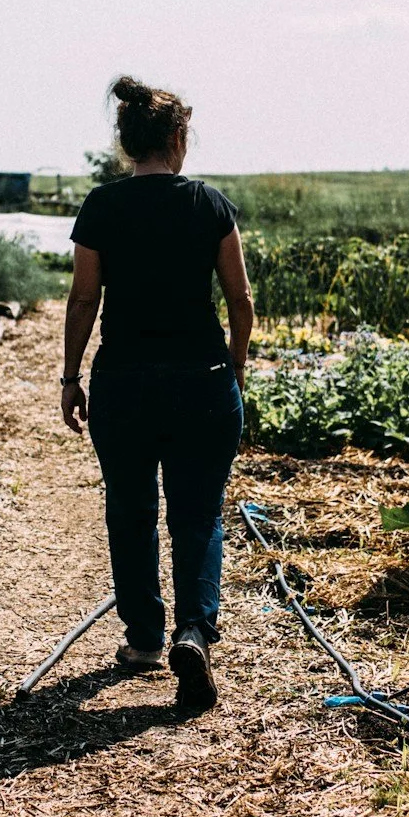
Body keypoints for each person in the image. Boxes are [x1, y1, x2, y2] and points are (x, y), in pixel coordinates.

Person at [61, 76, 253, 710]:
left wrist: (70, 377)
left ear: (125, 142)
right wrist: (233, 368)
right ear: (178, 138)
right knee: (198, 515)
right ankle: (194, 632)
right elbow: (241, 301)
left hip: (124, 383)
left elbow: (85, 297)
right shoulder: (210, 205)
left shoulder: (102, 207)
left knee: (131, 510)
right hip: (202, 380)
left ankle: (144, 639)